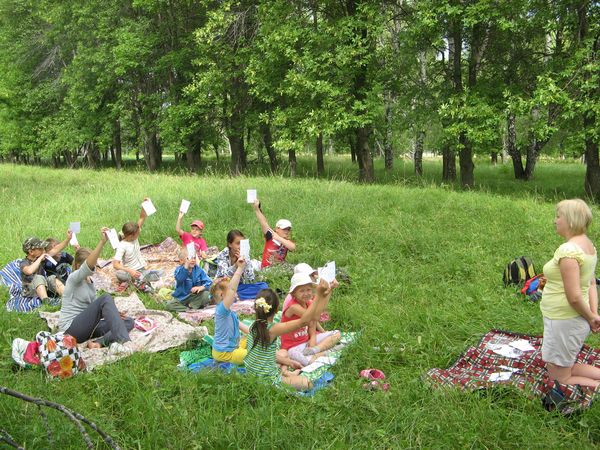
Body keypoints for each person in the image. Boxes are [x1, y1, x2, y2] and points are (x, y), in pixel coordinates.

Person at [540, 199, 600, 388]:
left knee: (559, 379)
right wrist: (593, 313)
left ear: (571, 221)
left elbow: (574, 297)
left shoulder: (569, 251)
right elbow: (591, 283)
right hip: (572, 320)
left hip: (564, 321)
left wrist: (591, 317)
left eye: (558, 217)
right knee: (563, 366)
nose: (555, 221)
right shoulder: (588, 246)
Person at [245, 279, 336, 390]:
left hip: (251, 372)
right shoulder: (273, 329)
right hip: (265, 379)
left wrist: (289, 362)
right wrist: (319, 295)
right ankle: (286, 375)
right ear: (277, 309)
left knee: (283, 352)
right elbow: (304, 321)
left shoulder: (255, 325)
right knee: (307, 383)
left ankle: (286, 372)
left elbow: (267, 354)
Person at [59, 228, 136, 355]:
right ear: (78, 266)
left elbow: (95, 309)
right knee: (105, 298)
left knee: (128, 322)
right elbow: (88, 266)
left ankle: (98, 343)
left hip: (87, 328)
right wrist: (102, 242)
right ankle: (124, 342)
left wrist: (113, 314)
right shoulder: (73, 278)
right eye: (92, 264)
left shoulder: (90, 282)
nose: (94, 267)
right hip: (71, 330)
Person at [280, 272, 341, 366]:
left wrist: (313, 338)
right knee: (303, 359)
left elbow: (315, 318)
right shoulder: (293, 307)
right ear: (293, 294)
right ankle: (323, 353)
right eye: (301, 291)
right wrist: (321, 295)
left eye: (308, 290)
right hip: (293, 347)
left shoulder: (308, 303)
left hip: (307, 343)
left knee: (337, 334)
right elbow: (315, 316)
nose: (306, 293)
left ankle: (317, 350)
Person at [113, 198, 162, 290]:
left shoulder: (134, 236)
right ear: (131, 235)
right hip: (130, 271)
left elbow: (142, 218)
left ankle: (138, 280)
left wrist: (144, 205)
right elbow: (115, 264)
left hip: (141, 269)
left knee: (160, 273)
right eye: (137, 233)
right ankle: (136, 281)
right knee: (120, 274)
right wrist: (130, 271)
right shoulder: (122, 246)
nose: (139, 233)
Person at [210, 258, 250, 365]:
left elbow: (242, 326)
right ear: (222, 295)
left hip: (234, 347)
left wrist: (258, 335)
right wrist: (240, 268)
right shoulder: (221, 311)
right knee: (255, 354)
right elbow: (232, 289)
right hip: (224, 353)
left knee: (253, 339)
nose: (234, 294)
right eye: (231, 293)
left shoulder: (230, 312)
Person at [214, 229, 268, 300]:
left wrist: (245, 263)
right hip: (224, 286)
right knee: (223, 292)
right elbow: (225, 277)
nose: (240, 247)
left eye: (242, 244)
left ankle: (235, 297)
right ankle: (233, 297)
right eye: (238, 243)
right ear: (230, 244)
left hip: (239, 286)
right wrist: (236, 266)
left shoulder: (244, 254)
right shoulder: (222, 255)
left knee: (263, 286)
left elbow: (250, 278)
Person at [20, 232, 72, 301]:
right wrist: (40, 258)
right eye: (40, 249)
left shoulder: (41, 258)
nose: (43, 251)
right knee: (38, 278)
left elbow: (56, 249)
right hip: (30, 290)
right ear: (31, 252)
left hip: (43, 288)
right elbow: (29, 271)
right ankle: (46, 301)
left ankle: (68, 297)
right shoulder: (24, 263)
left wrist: (68, 239)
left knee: (52, 278)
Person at [165, 248, 212, 312]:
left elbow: (209, 282)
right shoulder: (179, 270)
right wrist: (186, 267)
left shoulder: (199, 270)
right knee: (169, 305)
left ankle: (192, 306)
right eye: (189, 258)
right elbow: (180, 279)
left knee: (207, 295)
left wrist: (201, 287)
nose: (192, 260)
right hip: (181, 298)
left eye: (194, 258)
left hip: (195, 297)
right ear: (181, 261)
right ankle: (187, 309)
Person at [252, 199, 295, 268]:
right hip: (267, 268)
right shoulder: (270, 235)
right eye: (284, 229)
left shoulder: (286, 241)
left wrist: (279, 238)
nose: (287, 231)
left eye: (288, 229)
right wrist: (257, 209)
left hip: (280, 267)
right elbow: (263, 223)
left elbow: (293, 248)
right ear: (277, 229)